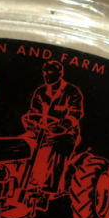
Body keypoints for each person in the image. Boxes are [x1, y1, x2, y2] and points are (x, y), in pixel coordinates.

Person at [22, 60, 84, 194]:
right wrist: (32, 123)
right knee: (23, 142)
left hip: (66, 134)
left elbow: (75, 113)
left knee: (56, 145)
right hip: (42, 131)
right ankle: (21, 181)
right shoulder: (40, 92)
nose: (47, 77)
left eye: (50, 74)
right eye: (45, 73)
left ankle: (49, 188)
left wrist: (63, 126)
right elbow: (34, 111)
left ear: (59, 74)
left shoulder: (72, 92)